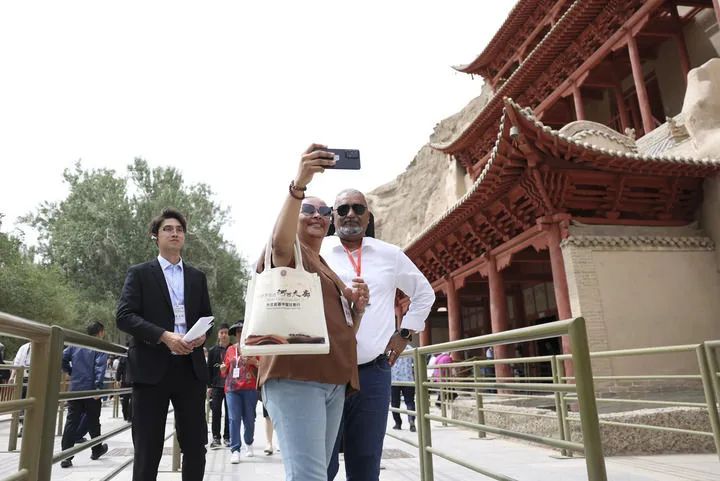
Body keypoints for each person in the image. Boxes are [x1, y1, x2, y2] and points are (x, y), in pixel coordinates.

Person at [258, 144, 369, 481]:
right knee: (309, 476)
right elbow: (278, 243)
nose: (317, 215)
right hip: (297, 377)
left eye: (324, 211)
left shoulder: (324, 265)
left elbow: (345, 330)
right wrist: (299, 184)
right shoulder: (290, 253)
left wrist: (357, 310)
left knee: (315, 473)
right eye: (308, 209)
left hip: (333, 379)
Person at [322, 187, 435, 481]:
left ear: (368, 217)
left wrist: (405, 332)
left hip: (373, 372)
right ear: (332, 217)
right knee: (322, 464)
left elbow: (424, 293)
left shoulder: (390, 254)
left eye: (358, 209)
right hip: (325, 371)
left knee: (366, 462)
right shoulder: (317, 252)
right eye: (343, 209)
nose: (350, 214)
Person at [116, 207, 212, 481]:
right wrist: (163, 336)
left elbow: (207, 317)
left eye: (179, 230)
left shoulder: (197, 277)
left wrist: (202, 336)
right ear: (155, 236)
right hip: (151, 368)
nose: (174, 233)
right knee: (148, 448)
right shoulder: (139, 273)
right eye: (167, 229)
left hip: (190, 369)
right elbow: (124, 316)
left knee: (195, 445)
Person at [59, 321, 110, 468]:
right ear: (100, 332)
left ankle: (66, 457)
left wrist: (70, 371)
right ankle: (96, 450)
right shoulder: (99, 346)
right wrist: (98, 387)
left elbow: (62, 357)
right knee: (93, 420)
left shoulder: (76, 344)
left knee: (71, 421)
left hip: (75, 388)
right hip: (91, 389)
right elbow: (100, 367)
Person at [221, 321, 259, 464]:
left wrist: (254, 362)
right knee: (234, 418)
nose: (240, 334)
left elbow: (263, 366)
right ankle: (235, 449)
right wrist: (223, 369)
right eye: (237, 332)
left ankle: (249, 442)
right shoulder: (230, 350)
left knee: (249, 418)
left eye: (242, 331)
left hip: (250, 388)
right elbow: (225, 370)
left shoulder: (254, 348)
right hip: (232, 389)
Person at [207, 322, 231, 448]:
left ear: (229, 335)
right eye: (222, 333)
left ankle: (227, 437)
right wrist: (209, 386)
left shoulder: (233, 350)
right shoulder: (213, 351)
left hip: (231, 386)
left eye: (226, 333)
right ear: (218, 335)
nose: (224, 335)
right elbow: (209, 370)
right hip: (216, 386)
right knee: (216, 411)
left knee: (229, 412)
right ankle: (216, 437)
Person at [390, 344, 416, 432]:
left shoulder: (391, 347)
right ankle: (411, 420)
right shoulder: (410, 348)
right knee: (410, 401)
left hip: (394, 380)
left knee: (395, 403)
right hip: (408, 379)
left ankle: (398, 423)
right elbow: (416, 361)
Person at [10, 341, 31, 437]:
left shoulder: (42, 347)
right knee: (20, 403)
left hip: (34, 377)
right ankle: (24, 425)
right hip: (22, 377)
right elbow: (17, 362)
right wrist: (12, 377)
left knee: (29, 403)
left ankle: (25, 427)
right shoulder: (24, 347)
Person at [115, 343, 132, 422]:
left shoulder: (123, 357)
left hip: (125, 381)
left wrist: (118, 379)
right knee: (133, 399)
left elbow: (119, 369)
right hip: (134, 381)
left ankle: (125, 415)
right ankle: (131, 416)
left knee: (125, 399)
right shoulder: (136, 355)